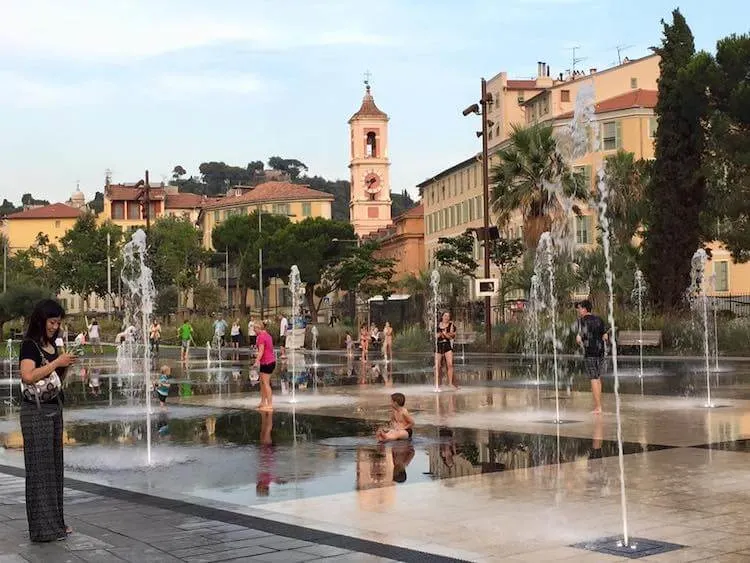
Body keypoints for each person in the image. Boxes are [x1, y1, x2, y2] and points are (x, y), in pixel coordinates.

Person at [18, 299, 77, 542]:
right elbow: (28, 375)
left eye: (58, 323)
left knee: (54, 469)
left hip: (54, 409)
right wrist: (56, 363)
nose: (55, 327)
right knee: (40, 471)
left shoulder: (52, 345)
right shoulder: (30, 346)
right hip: (36, 413)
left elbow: (54, 376)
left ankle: (56, 523)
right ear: (41, 320)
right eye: (52, 322)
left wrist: (65, 365)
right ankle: (42, 530)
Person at [576, 299, 608, 415]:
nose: (579, 311)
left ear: (584, 309)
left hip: (590, 352)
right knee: (598, 378)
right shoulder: (599, 319)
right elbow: (605, 336)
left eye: (579, 308)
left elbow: (579, 338)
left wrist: (579, 340)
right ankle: (599, 405)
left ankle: (598, 407)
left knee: (593, 379)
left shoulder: (582, 321)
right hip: (600, 352)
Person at [254, 320, 276, 412]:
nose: (254, 331)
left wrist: (256, 361)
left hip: (267, 362)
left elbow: (262, 351)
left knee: (266, 383)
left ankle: (270, 404)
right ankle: (263, 401)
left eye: (255, 329)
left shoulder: (261, 337)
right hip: (269, 361)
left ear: (259, 328)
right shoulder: (267, 335)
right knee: (262, 383)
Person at [435, 311, 457, 389]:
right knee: (438, 365)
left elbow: (452, 336)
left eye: (448, 316)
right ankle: (438, 383)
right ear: (442, 316)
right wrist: (440, 335)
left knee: (450, 364)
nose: (446, 317)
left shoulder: (451, 325)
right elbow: (435, 336)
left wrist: (445, 334)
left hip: (447, 345)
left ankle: (450, 383)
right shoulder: (437, 324)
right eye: (445, 315)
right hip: (439, 345)